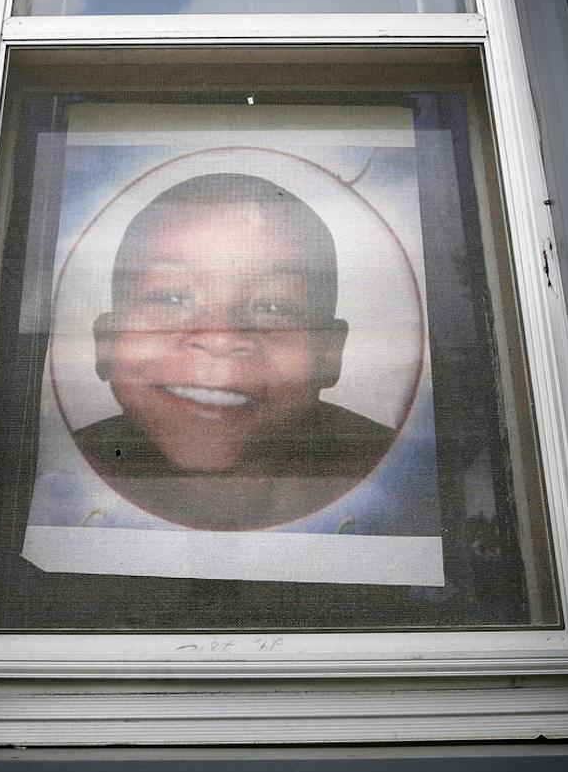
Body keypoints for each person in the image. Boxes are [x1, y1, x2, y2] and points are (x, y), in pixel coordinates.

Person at [74, 171, 396, 530]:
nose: (220, 336)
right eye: (169, 297)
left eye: (274, 307)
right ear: (106, 343)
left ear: (328, 355)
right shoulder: (59, 467)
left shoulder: (399, 476)